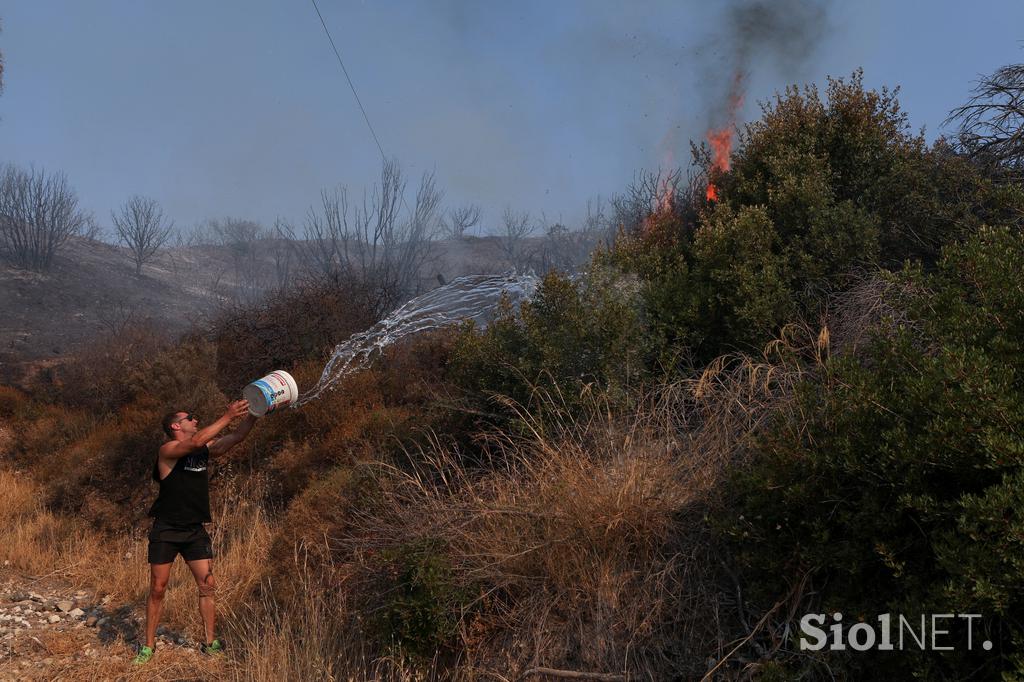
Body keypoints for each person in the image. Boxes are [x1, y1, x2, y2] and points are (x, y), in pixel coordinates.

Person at [133, 400, 256, 665]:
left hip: (194, 530)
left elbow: (236, 437)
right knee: (158, 588)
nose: (196, 421)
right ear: (176, 426)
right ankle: (148, 647)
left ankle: (210, 642)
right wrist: (227, 415)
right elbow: (197, 441)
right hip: (166, 529)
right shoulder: (167, 449)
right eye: (191, 418)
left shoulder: (203, 450)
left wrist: (255, 413)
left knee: (207, 585)